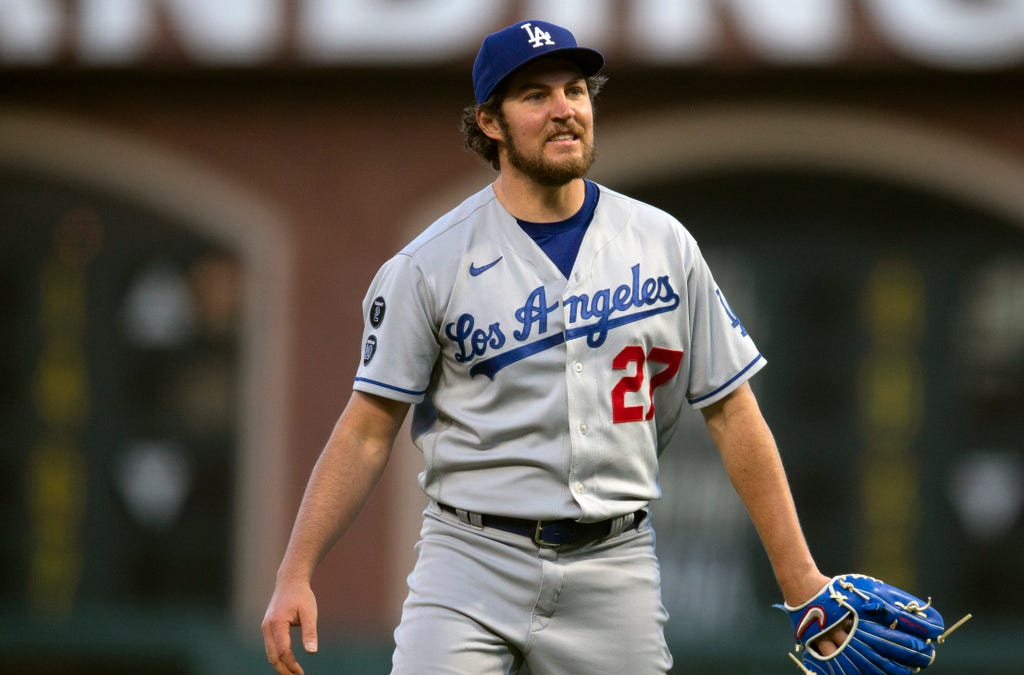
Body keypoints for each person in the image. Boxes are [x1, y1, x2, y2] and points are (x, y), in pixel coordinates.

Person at [262, 18, 842, 675]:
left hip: (613, 561)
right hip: (470, 557)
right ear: (490, 121)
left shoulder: (663, 243)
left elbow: (733, 413)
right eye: (536, 95)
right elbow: (367, 429)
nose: (564, 109)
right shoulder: (428, 264)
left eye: (576, 90)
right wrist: (296, 569)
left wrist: (801, 579)